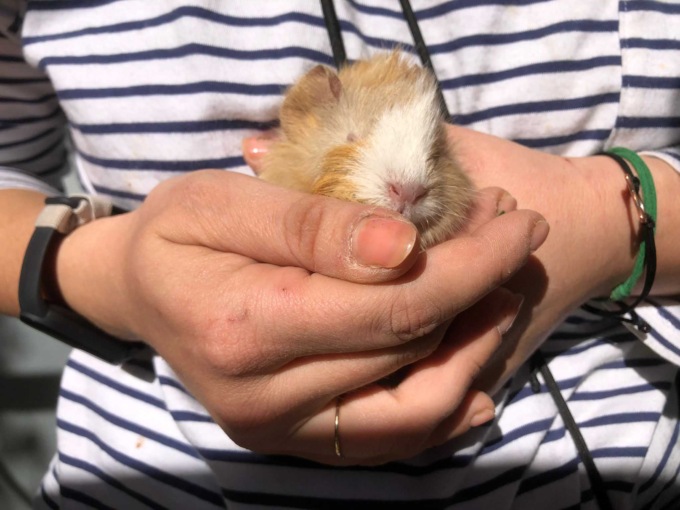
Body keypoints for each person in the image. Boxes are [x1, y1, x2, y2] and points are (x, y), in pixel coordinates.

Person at [1, 1, 679, 508]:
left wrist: (609, 221)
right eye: (353, 140)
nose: (409, 182)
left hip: (624, 462)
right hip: (157, 474)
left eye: (432, 149)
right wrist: (117, 274)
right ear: (304, 118)